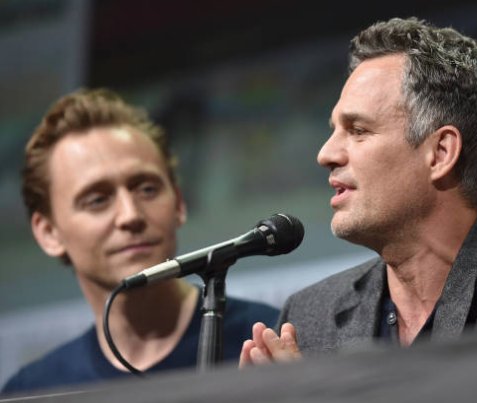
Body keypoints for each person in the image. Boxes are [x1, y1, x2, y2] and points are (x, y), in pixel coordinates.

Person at [239, 17, 477, 365]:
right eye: (335, 130)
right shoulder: (308, 316)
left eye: (358, 130)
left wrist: (312, 392)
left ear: (440, 153)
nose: (325, 154)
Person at [2, 89, 279, 395]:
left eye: (147, 189)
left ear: (179, 202)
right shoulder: (33, 391)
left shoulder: (271, 342)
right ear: (48, 233)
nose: (130, 215)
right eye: (97, 200)